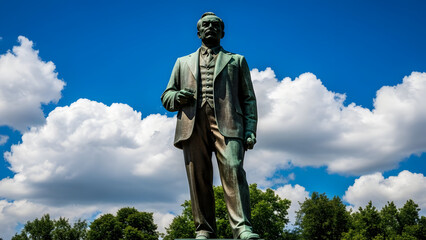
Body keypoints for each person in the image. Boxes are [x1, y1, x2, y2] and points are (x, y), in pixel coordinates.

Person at [161, 12, 259, 239]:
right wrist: (178, 97)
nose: (211, 28)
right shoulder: (182, 62)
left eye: (216, 25)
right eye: (206, 25)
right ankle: (204, 229)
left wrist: (250, 130)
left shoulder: (237, 60)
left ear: (223, 32)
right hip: (192, 126)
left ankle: (242, 227)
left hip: (230, 124)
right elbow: (166, 97)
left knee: (234, 170)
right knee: (198, 178)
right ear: (198, 32)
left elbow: (248, 99)